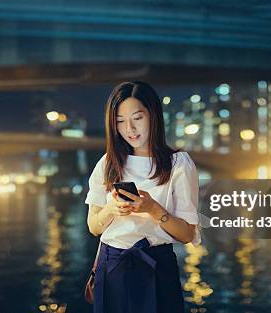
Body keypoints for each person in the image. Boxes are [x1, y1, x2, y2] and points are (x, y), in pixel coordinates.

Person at [85, 81, 200, 313]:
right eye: (120, 121)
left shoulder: (178, 164)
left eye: (137, 118)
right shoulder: (108, 163)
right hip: (112, 264)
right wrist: (111, 210)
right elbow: (94, 227)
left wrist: (153, 209)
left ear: (153, 115)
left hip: (157, 265)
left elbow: (187, 234)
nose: (130, 128)